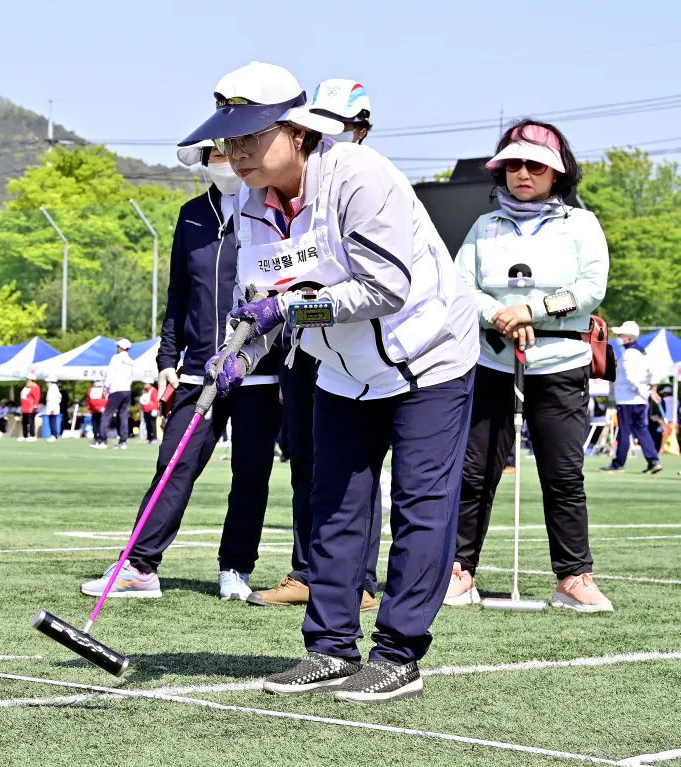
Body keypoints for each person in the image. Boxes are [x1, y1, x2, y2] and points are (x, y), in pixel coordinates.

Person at [183, 62, 479, 702]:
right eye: (228, 142)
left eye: (249, 139)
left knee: (420, 509)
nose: (235, 155)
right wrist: (239, 353)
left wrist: (288, 311)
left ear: (295, 131)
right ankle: (330, 649)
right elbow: (260, 297)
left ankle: (399, 654)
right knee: (335, 507)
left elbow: (384, 288)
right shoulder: (249, 200)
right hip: (343, 368)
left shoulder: (360, 176)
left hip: (427, 354)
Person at [81, 138, 283, 602]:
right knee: (173, 463)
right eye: (214, 155)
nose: (225, 162)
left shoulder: (274, 208)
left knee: (251, 472)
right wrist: (167, 359)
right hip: (199, 369)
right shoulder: (192, 214)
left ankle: (236, 568)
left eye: (232, 152)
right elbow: (178, 294)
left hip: (261, 366)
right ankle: (139, 566)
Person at [447, 119, 613, 614]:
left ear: (557, 173)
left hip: (561, 364)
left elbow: (590, 288)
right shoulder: (484, 226)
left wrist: (532, 310)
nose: (523, 173)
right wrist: (497, 313)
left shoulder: (581, 224)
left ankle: (573, 577)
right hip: (492, 363)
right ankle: (459, 570)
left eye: (535, 165)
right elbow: (461, 287)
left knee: (564, 475)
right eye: (514, 164)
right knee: (474, 473)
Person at [254, 79, 391, 610]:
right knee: (307, 462)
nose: (328, 137)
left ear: (363, 129)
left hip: (363, 354)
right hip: (306, 349)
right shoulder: (286, 197)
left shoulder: (371, 187)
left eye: (344, 126)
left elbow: (371, 292)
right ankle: (307, 571)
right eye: (318, 126)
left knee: (358, 469)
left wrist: (299, 306)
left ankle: (359, 582)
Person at [601, 321, 662, 474]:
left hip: (628, 398)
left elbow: (630, 376)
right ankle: (653, 460)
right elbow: (654, 372)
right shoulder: (644, 352)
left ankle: (618, 464)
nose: (619, 338)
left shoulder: (629, 354)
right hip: (640, 399)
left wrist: (642, 391)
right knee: (641, 429)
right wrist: (650, 391)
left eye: (621, 335)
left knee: (624, 431)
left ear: (628, 338)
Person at [96, 339, 135, 450]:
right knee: (123, 415)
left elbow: (110, 373)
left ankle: (102, 440)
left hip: (116, 389)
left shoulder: (116, 358)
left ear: (120, 347)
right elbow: (131, 377)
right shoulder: (131, 361)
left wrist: (105, 388)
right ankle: (122, 441)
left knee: (107, 414)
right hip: (126, 389)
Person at [86, 378, 108, 444]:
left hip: (102, 410)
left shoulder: (104, 389)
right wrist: (90, 408)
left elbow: (106, 399)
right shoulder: (91, 389)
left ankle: (102, 438)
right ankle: (97, 438)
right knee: (95, 425)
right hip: (95, 410)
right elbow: (89, 400)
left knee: (101, 425)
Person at [18, 376, 40, 442]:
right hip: (24, 408)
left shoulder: (35, 387)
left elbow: (36, 397)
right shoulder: (26, 387)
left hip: (30, 408)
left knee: (31, 422)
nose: (27, 381)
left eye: (28, 380)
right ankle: (25, 436)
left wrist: (35, 406)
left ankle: (32, 435)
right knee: (24, 422)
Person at [138, 377, 159, 444]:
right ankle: (149, 438)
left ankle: (154, 438)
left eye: (145, 383)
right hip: (145, 410)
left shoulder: (153, 390)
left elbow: (156, 400)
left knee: (153, 425)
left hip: (152, 411)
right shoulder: (145, 391)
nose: (144, 384)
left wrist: (156, 409)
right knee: (147, 425)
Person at [44, 376, 62, 441]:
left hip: (53, 408)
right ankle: (53, 434)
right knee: (51, 421)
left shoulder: (53, 388)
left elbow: (54, 399)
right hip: (51, 407)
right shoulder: (52, 388)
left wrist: (52, 409)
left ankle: (54, 435)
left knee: (53, 422)